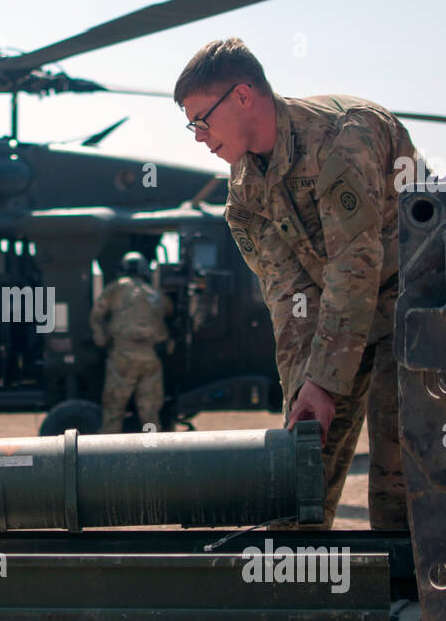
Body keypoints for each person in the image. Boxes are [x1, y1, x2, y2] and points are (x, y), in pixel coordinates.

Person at [174, 37, 413, 529]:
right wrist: (305, 392)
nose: (198, 136)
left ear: (242, 97)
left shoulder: (343, 137)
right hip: (338, 315)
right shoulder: (245, 188)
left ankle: (407, 597)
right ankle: (304, 586)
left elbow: (356, 262)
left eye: (202, 120)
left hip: (412, 309)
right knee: (301, 472)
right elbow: (288, 299)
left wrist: (324, 381)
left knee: (399, 485)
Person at [90, 251, 173, 434]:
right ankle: (152, 451)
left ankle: (108, 453)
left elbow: (97, 314)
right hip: (150, 357)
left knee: (114, 410)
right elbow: (170, 312)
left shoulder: (116, 288)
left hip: (122, 356)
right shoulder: (155, 294)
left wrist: (101, 339)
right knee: (150, 412)